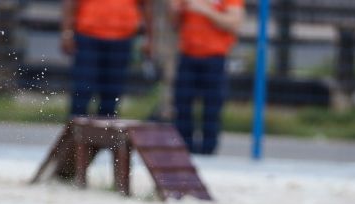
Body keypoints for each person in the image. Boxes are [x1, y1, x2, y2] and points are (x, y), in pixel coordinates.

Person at [170, 0, 244, 155]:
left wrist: (205, 10)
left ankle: (208, 150)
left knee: (212, 107)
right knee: (182, 104)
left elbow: (234, 23)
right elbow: (174, 23)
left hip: (215, 56)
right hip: (188, 54)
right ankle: (185, 149)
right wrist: (175, 10)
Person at [61, 0, 154, 117]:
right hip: (88, 34)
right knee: (83, 89)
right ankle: (76, 131)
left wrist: (149, 38)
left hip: (122, 37)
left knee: (112, 94)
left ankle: (105, 132)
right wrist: (67, 32)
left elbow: (147, 5)